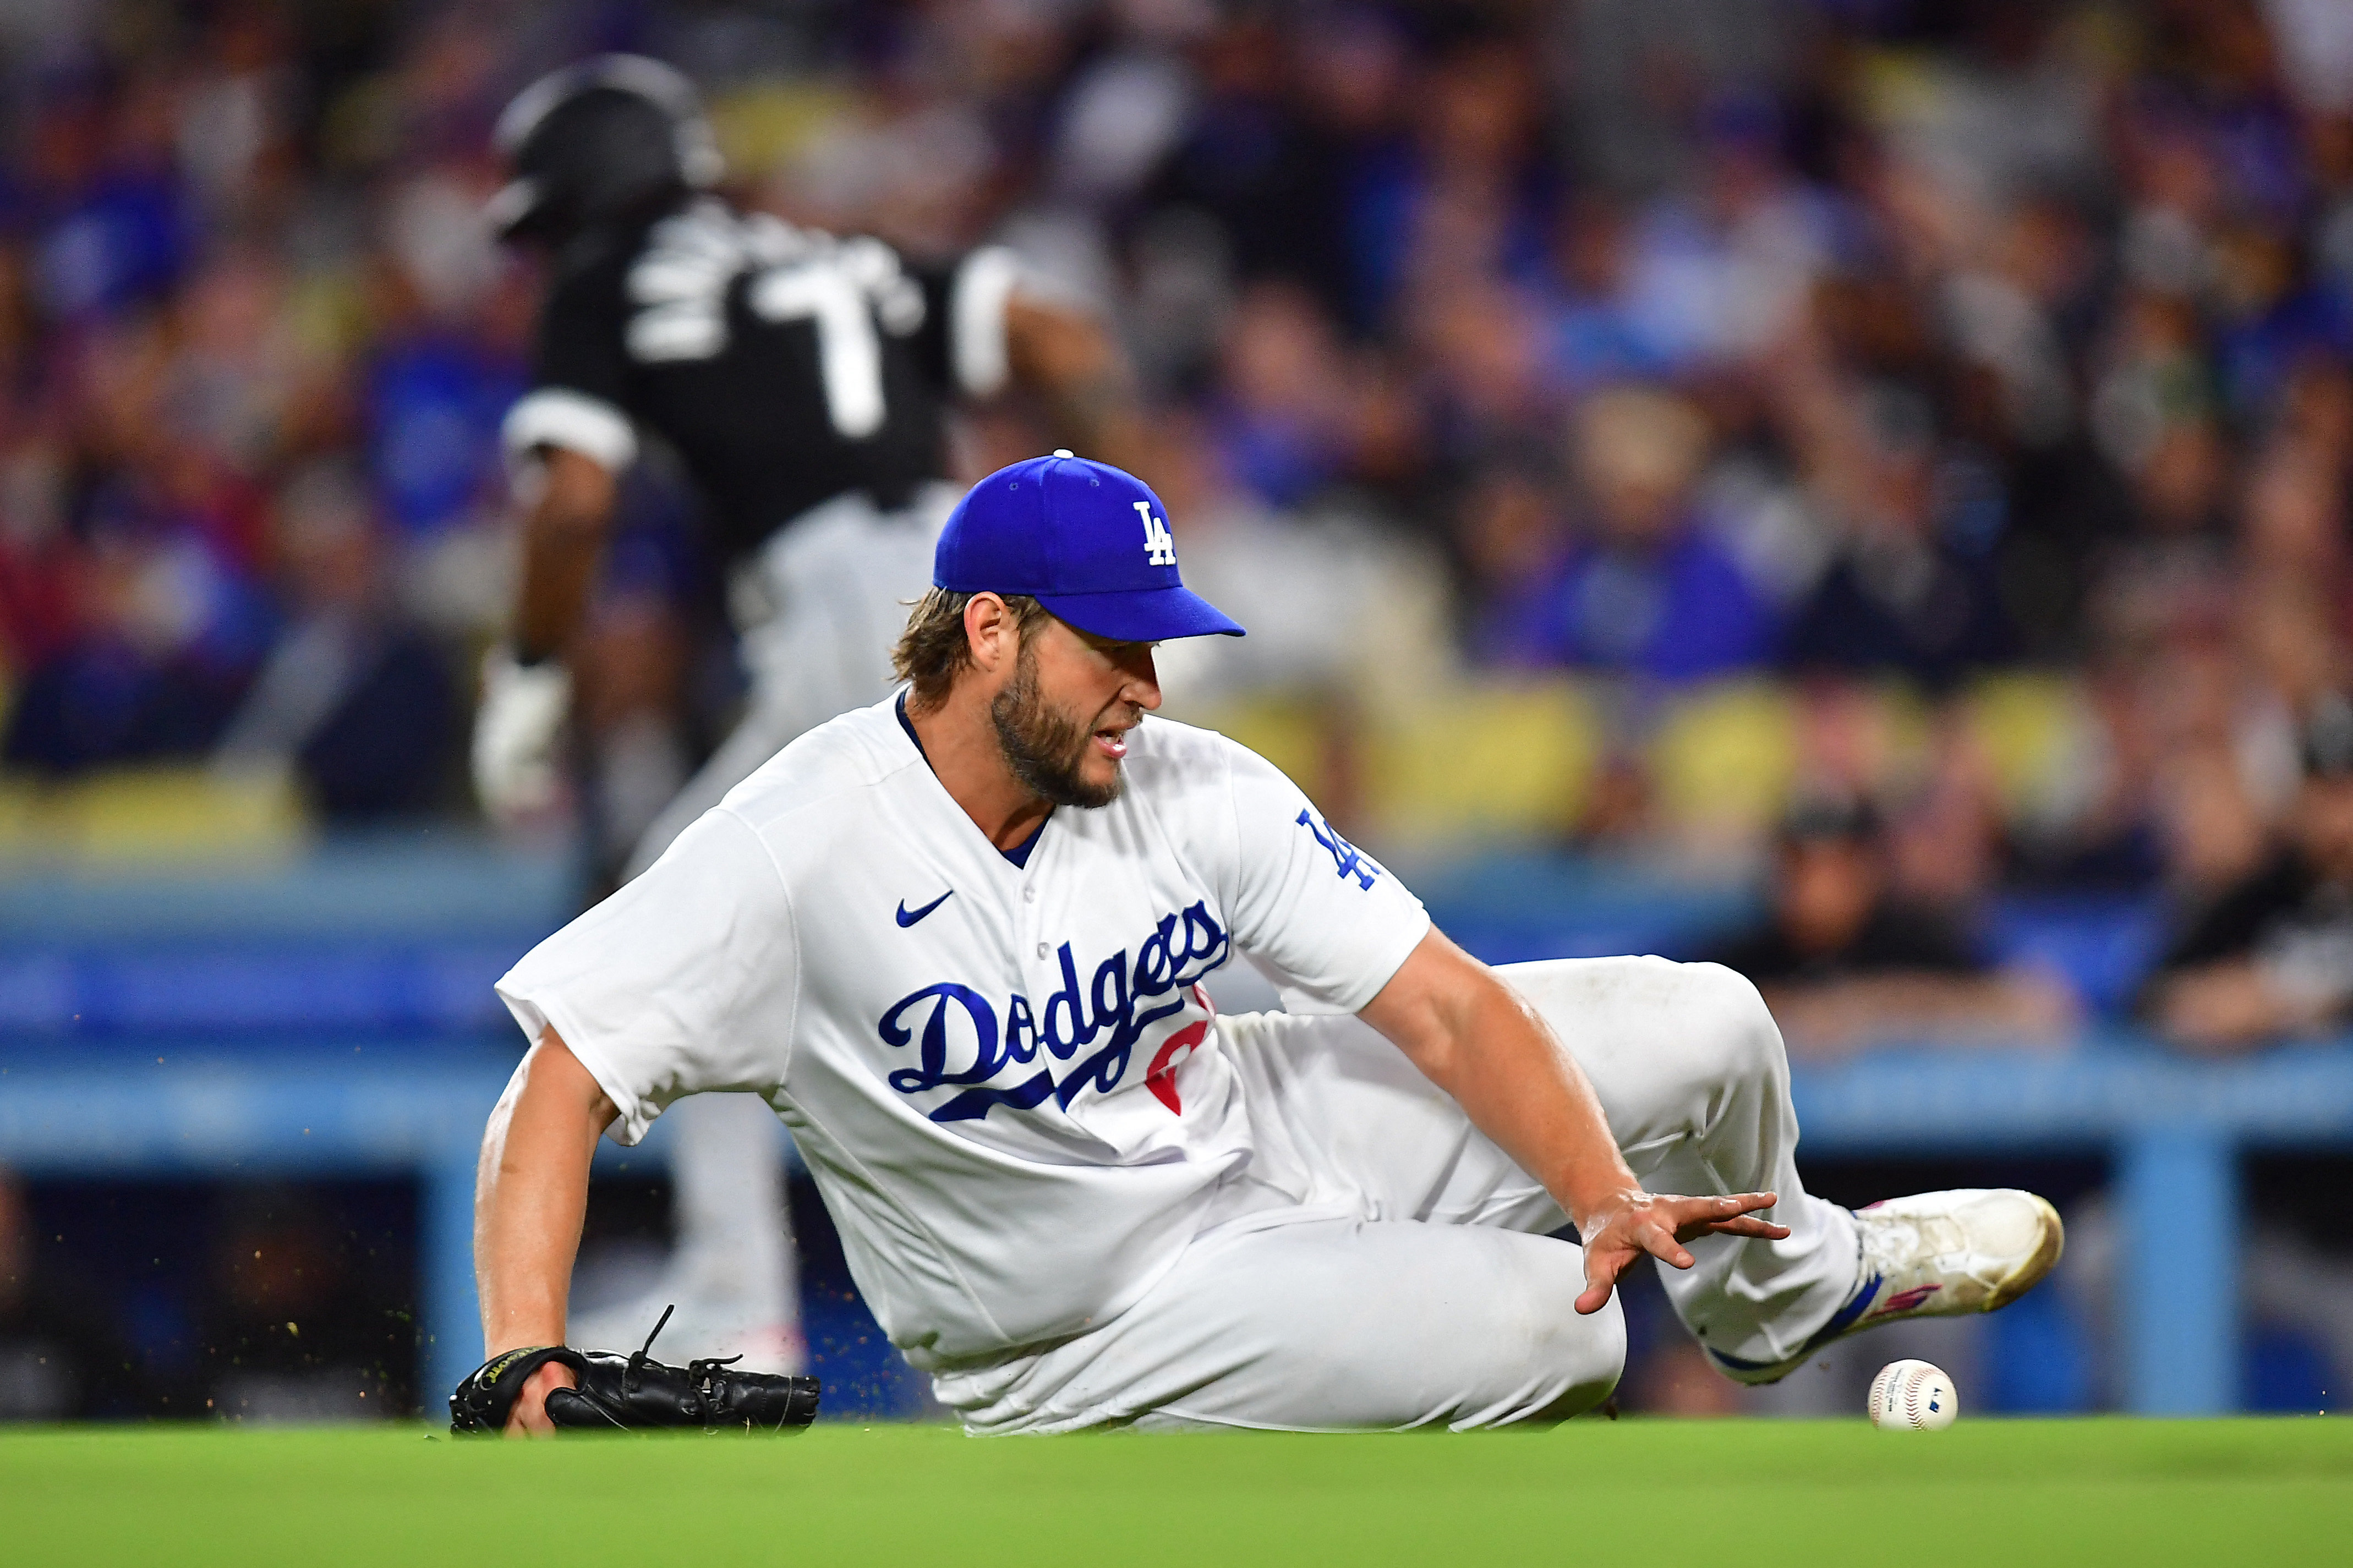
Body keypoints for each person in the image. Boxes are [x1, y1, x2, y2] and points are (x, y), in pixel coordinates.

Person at [471, 452, 2064, 1434]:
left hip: (1258, 1121)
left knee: (1710, 1021)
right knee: (1547, 1336)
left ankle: (1787, 1296)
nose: (1150, 688)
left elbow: (1439, 1007)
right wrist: (528, 1362)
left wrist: (1601, 1193)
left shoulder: (1180, 780)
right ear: (988, 630)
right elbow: (560, 1079)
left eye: (1157, 647)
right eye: (1116, 646)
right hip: (1086, 1331)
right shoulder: (794, 842)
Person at [470, 57, 1151, 1373]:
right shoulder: (828, 251)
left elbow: (568, 501)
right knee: (1094, 906)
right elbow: (1061, 342)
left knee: (704, 911)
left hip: (848, 604)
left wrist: (534, 670)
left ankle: (741, 1304)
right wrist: (1117, 545)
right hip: (985, 585)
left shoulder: (607, 274)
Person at [1705, 796, 2075, 1058]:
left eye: (1837, 867)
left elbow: (2038, 1006)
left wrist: (1865, 1011)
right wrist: (1791, 1016)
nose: (1818, 888)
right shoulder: (1748, 956)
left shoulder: (1913, 941)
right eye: (1803, 867)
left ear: (1869, 870)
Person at [2144, 696, 2353, 1051]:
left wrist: (2284, 1001)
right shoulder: (2265, 895)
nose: (2342, 820)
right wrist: (2205, 1001)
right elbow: (2153, 992)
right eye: (2328, 795)